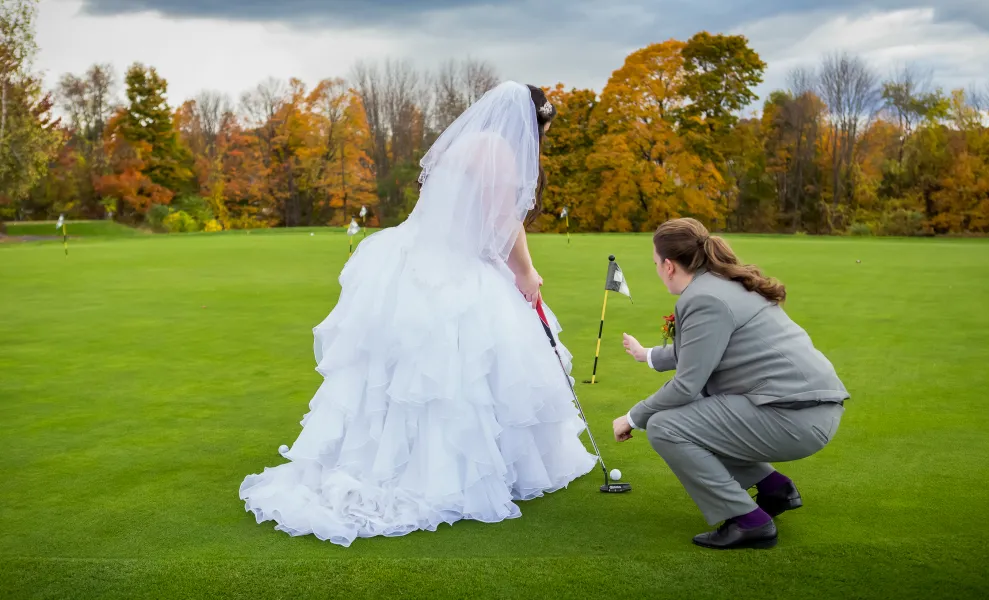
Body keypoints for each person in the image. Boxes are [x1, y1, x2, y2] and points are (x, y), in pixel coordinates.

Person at [239, 82, 596, 547]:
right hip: (456, 268)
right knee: (460, 372)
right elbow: (503, 222)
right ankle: (444, 474)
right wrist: (527, 274)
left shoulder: (465, 142)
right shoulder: (501, 151)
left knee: (401, 373)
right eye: (540, 131)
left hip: (410, 258)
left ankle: (383, 459)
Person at [615, 218, 849, 550]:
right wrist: (648, 355)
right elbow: (702, 349)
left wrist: (633, 417)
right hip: (806, 406)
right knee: (696, 416)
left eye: (655, 263)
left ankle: (750, 522)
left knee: (666, 425)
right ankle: (774, 489)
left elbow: (686, 386)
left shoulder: (702, 298)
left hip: (796, 416)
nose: (656, 269)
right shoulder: (722, 283)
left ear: (669, 266)